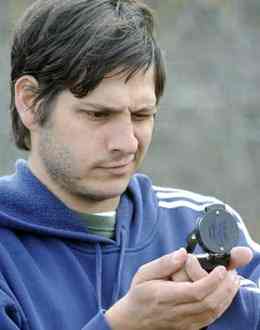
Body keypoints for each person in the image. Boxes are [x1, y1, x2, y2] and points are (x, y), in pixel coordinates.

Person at [1, 0, 259, 329]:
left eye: (141, 115)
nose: (127, 142)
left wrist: (231, 307)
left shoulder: (205, 224)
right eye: (98, 114)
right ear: (30, 102)